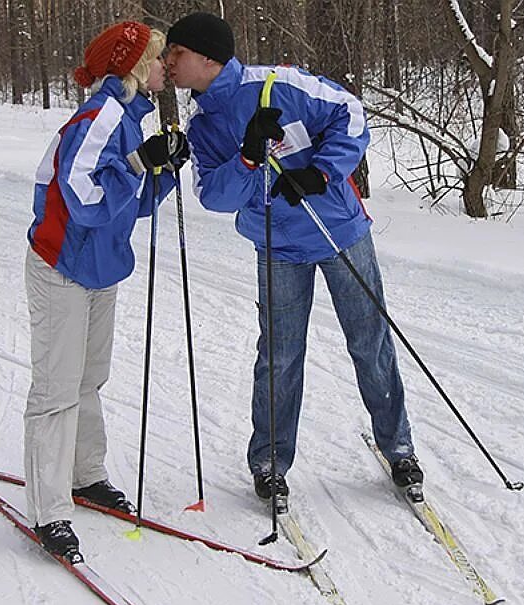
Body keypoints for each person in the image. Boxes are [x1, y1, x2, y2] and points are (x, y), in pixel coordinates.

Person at [164, 13, 423, 504]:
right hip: (277, 244)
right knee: (280, 356)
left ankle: (399, 447)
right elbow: (213, 195)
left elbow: (351, 115)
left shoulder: (281, 84)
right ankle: (269, 461)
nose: (167, 64)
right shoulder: (203, 126)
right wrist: (246, 157)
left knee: (369, 343)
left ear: (207, 58)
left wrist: (322, 174)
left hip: (339, 233)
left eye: (175, 53)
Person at [24, 20, 189, 560]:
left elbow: (127, 203)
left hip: (99, 267)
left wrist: (160, 171)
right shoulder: (101, 116)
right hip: (63, 267)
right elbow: (83, 196)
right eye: (161, 57)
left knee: (90, 377)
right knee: (56, 389)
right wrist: (141, 163)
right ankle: (50, 511)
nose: (168, 65)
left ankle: (85, 475)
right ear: (137, 64)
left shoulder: (128, 117)